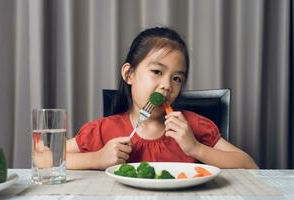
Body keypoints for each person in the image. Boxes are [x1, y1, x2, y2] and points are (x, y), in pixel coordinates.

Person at [66, 27, 258, 170]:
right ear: (129, 74)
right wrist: (98, 159)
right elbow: (45, 158)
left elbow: (250, 166)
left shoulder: (193, 126)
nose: (167, 85)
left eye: (177, 78)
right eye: (157, 71)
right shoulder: (104, 130)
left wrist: (195, 148)